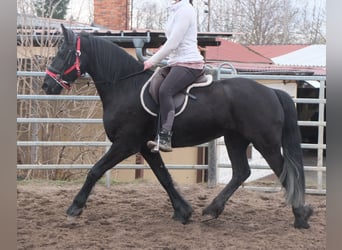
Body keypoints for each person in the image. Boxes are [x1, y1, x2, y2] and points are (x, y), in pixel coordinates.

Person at [144, 0, 204, 152]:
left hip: (189, 63)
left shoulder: (186, 10)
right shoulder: (174, 10)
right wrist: (160, 49)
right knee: (156, 83)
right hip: (176, 62)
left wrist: (152, 61)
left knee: (166, 90)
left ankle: (165, 137)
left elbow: (173, 43)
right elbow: (171, 42)